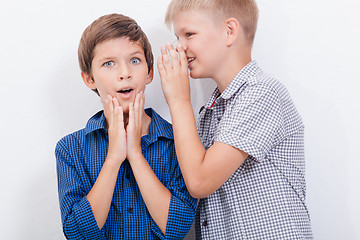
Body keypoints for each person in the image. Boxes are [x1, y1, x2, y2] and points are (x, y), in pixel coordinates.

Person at [157, 0, 313, 239]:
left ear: (229, 31)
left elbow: (199, 181)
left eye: (189, 34)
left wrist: (178, 100)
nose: (180, 48)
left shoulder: (262, 92)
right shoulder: (211, 111)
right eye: (178, 38)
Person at [55, 13, 196, 240]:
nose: (125, 73)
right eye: (108, 63)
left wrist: (135, 155)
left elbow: (177, 228)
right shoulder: (71, 148)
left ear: (149, 72)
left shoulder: (177, 140)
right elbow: (77, 234)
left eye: (135, 60)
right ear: (89, 78)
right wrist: (113, 158)